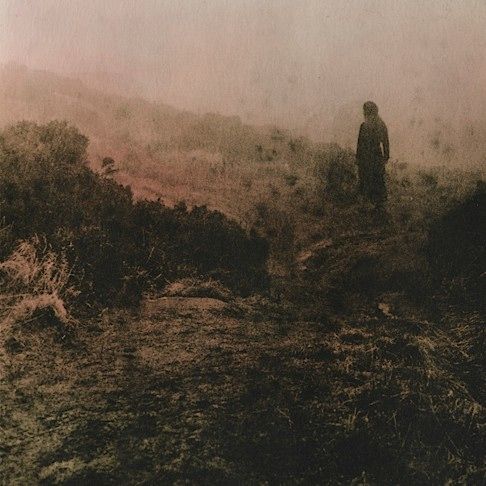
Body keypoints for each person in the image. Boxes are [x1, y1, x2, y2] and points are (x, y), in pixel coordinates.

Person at [356, 101, 389, 207]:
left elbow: (360, 144)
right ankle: (375, 205)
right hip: (373, 157)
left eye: (365, 111)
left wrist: (358, 158)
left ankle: (374, 205)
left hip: (370, 157)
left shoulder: (366, 125)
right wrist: (386, 156)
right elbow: (385, 143)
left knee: (372, 179)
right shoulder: (380, 125)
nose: (364, 113)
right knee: (374, 179)